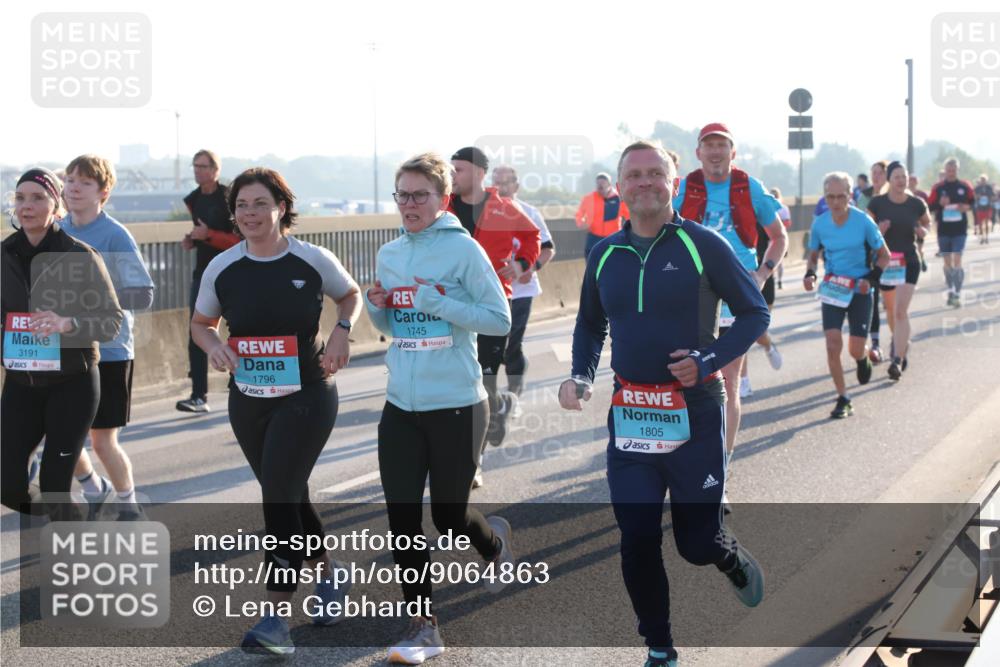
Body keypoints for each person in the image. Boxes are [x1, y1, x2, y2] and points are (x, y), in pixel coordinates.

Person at [561, 140, 768, 667]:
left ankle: (727, 555)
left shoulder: (704, 245)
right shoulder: (604, 253)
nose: (646, 182)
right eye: (635, 175)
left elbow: (754, 314)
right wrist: (581, 376)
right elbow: (590, 323)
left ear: (673, 183)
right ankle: (659, 647)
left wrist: (708, 359)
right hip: (631, 418)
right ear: (621, 185)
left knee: (695, 545)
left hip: (695, 414)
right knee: (636, 537)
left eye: (656, 173)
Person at [191, 167, 361, 654]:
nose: (250, 214)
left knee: (279, 498)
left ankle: (275, 619)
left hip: (307, 392)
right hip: (248, 398)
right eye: (241, 206)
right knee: (285, 491)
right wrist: (214, 347)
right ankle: (330, 575)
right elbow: (201, 323)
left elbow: (349, 295)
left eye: (259, 204)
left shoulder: (311, 259)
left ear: (281, 207)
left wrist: (342, 330)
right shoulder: (223, 267)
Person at [367, 153, 516, 665]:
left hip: (455, 402)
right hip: (400, 406)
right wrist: (376, 305)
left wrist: (438, 303)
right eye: (402, 195)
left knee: (449, 518)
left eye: (419, 195)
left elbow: (498, 319)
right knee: (403, 519)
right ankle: (424, 627)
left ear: (443, 199)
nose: (409, 204)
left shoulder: (464, 252)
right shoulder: (388, 252)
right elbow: (387, 325)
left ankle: (493, 544)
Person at [2, 168, 123, 520]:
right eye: (20, 197)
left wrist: (66, 324)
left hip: (73, 383)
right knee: (7, 484)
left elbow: (112, 321)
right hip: (22, 383)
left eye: (38, 198)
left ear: (56, 207)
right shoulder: (3, 254)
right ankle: (69, 516)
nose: (27, 206)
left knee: (55, 482)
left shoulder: (81, 255)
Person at [674, 122, 787, 487]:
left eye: (722, 145)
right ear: (699, 152)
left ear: (732, 152)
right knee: (686, 379)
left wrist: (761, 274)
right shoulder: (686, 186)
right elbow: (662, 229)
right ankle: (686, 462)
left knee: (729, 380)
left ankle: (719, 471)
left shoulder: (747, 186)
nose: (716, 152)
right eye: (709, 145)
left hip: (735, 293)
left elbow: (778, 237)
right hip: (692, 294)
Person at [61, 154, 155, 521]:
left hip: (109, 350)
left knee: (101, 440)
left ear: (103, 191)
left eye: (84, 182)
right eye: (69, 180)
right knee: (60, 434)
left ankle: (128, 503)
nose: (73, 188)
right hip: (63, 348)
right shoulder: (55, 230)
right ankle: (92, 487)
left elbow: (144, 293)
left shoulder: (115, 235)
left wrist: (97, 298)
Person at [447, 147, 540, 480]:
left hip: (492, 306)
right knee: (458, 381)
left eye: (459, 169)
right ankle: (501, 406)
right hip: (451, 307)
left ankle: (474, 461)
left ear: (479, 172)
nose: (453, 174)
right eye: (451, 168)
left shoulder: (504, 208)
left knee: (482, 382)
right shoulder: (441, 207)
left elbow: (533, 238)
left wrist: (521, 264)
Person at [804, 172, 889, 418]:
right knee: (832, 345)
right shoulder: (820, 223)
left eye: (841, 196)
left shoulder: (863, 222)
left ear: (850, 196)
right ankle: (843, 397)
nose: (836, 202)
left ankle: (862, 359)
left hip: (860, 290)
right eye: (830, 197)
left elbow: (884, 254)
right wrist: (810, 273)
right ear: (825, 198)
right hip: (833, 289)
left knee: (854, 349)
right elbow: (813, 253)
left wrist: (871, 280)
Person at [177, 149, 239, 413]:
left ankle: (240, 381)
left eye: (203, 166)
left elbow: (240, 240)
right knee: (197, 331)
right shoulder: (192, 200)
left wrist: (209, 235)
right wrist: (193, 239)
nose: (198, 170)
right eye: (195, 166)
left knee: (239, 327)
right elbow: (203, 234)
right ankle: (198, 395)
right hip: (203, 274)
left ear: (215, 170)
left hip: (234, 272)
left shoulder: (229, 197)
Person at [492, 165, 556, 407]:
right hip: (494, 290)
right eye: (496, 182)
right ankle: (491, 393)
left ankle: (513, 391)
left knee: (512, 342)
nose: (500, 187)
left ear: (516, 186)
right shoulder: (484, 214)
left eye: (506, 183)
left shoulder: (529, 212)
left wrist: (531, 268)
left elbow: (548, 248)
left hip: (522, 290)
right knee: (494, 345)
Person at [867, 162, 931, 380]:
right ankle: (902, 343)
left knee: (900, 311)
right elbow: (866, 229)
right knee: (892, 310)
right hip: (886, 263)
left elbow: (927, 224)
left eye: (903, 176)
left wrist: (923, 231)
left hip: (909, 261)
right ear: (889, 180)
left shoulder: (916, 204)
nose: (901, 180)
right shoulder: (877, 203)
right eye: (896, 177)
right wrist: (878, 231)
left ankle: (897, 359)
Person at [928, 157, 975, 307]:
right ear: (945, 170)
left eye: (953, 170)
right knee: (947, 263)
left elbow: (973, 202)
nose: (951, 172)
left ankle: (957, 293)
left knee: (957, 259)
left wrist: (965, 208)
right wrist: (939, 204)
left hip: (960, 229)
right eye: (948, 170)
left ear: (957, 170)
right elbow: (929, 206)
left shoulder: (965, 186)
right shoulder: (938, 188)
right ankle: (950, 288)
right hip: (943, 230)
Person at [858, 161, 889, 363]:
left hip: (896, 258)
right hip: (872, 256)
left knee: (893, 305)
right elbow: (860, 223)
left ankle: (898, 344)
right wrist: (879, 230)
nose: (876, 177)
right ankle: (875, 344)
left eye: (880, 173)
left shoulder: (893, 195)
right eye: (873, 173)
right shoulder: (865, 197)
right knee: (873, 299)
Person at [576, 172, 630, 257]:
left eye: (603, 183)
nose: (600, 185)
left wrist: (629, 231)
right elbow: (579, 214)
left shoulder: (619, 198)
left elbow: (629, 217)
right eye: (598, 183)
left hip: (613, 238)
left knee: (614, 264)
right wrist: (581, 223)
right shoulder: (589, 198)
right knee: (592, 264)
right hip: (594, 238)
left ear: (609, 184)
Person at [771, 187, 792, 289]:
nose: (774, 196)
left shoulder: (783, 208)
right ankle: (772, 280)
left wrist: (778, 226)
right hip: (768, 238)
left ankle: (779, 280)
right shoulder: (768, 207)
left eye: (775, 195)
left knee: (779, 261)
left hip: (779, 237)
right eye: (772, 194)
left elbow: (788, 222)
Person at [973, 174, 995, 244]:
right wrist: (977, 197)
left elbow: (993, 196)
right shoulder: (977, 188)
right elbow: (973, 196)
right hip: (979, 207)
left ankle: (987, 237)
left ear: (986, 180)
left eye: (984, 180)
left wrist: (989, 198)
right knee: (980, 223)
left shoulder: (989, 187)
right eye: (982, 180)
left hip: (987, 207)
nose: (983, 181)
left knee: (986, 223)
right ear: (980, 180)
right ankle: (982, 237)